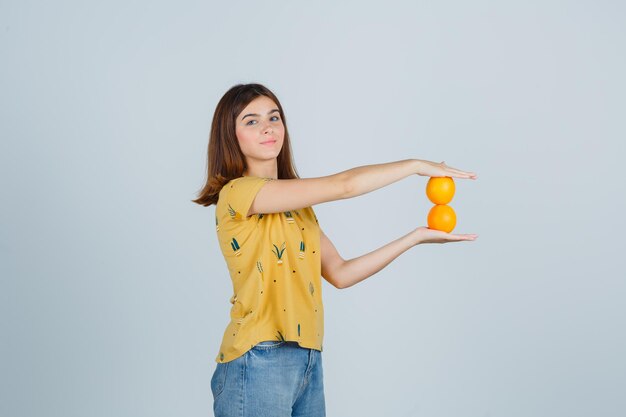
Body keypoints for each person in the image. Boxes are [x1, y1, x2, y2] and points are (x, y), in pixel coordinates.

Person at [192, 83, 478, 417]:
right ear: (231, 136)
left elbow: (340, 273)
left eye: (274, 116)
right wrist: (415, 165)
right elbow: (344, 186)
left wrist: (415, 237)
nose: (268, 126)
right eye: (251, 121)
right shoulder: (238, 194)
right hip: (257, 360)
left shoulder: (299, 208)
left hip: (308, 359)